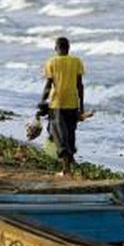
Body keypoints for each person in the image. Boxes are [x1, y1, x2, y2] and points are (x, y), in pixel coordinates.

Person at [39, 36, 85, 176]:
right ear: (68, 48)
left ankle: (66, 169)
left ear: (55, 48)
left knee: (59, 136)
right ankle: (70, 163)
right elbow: (80, 86)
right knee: (70, 134)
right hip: (72, 103)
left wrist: (42, 101)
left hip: (57, 103)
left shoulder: (51, 62)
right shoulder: (77, 61)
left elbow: (48, 85)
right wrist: (81, 107)